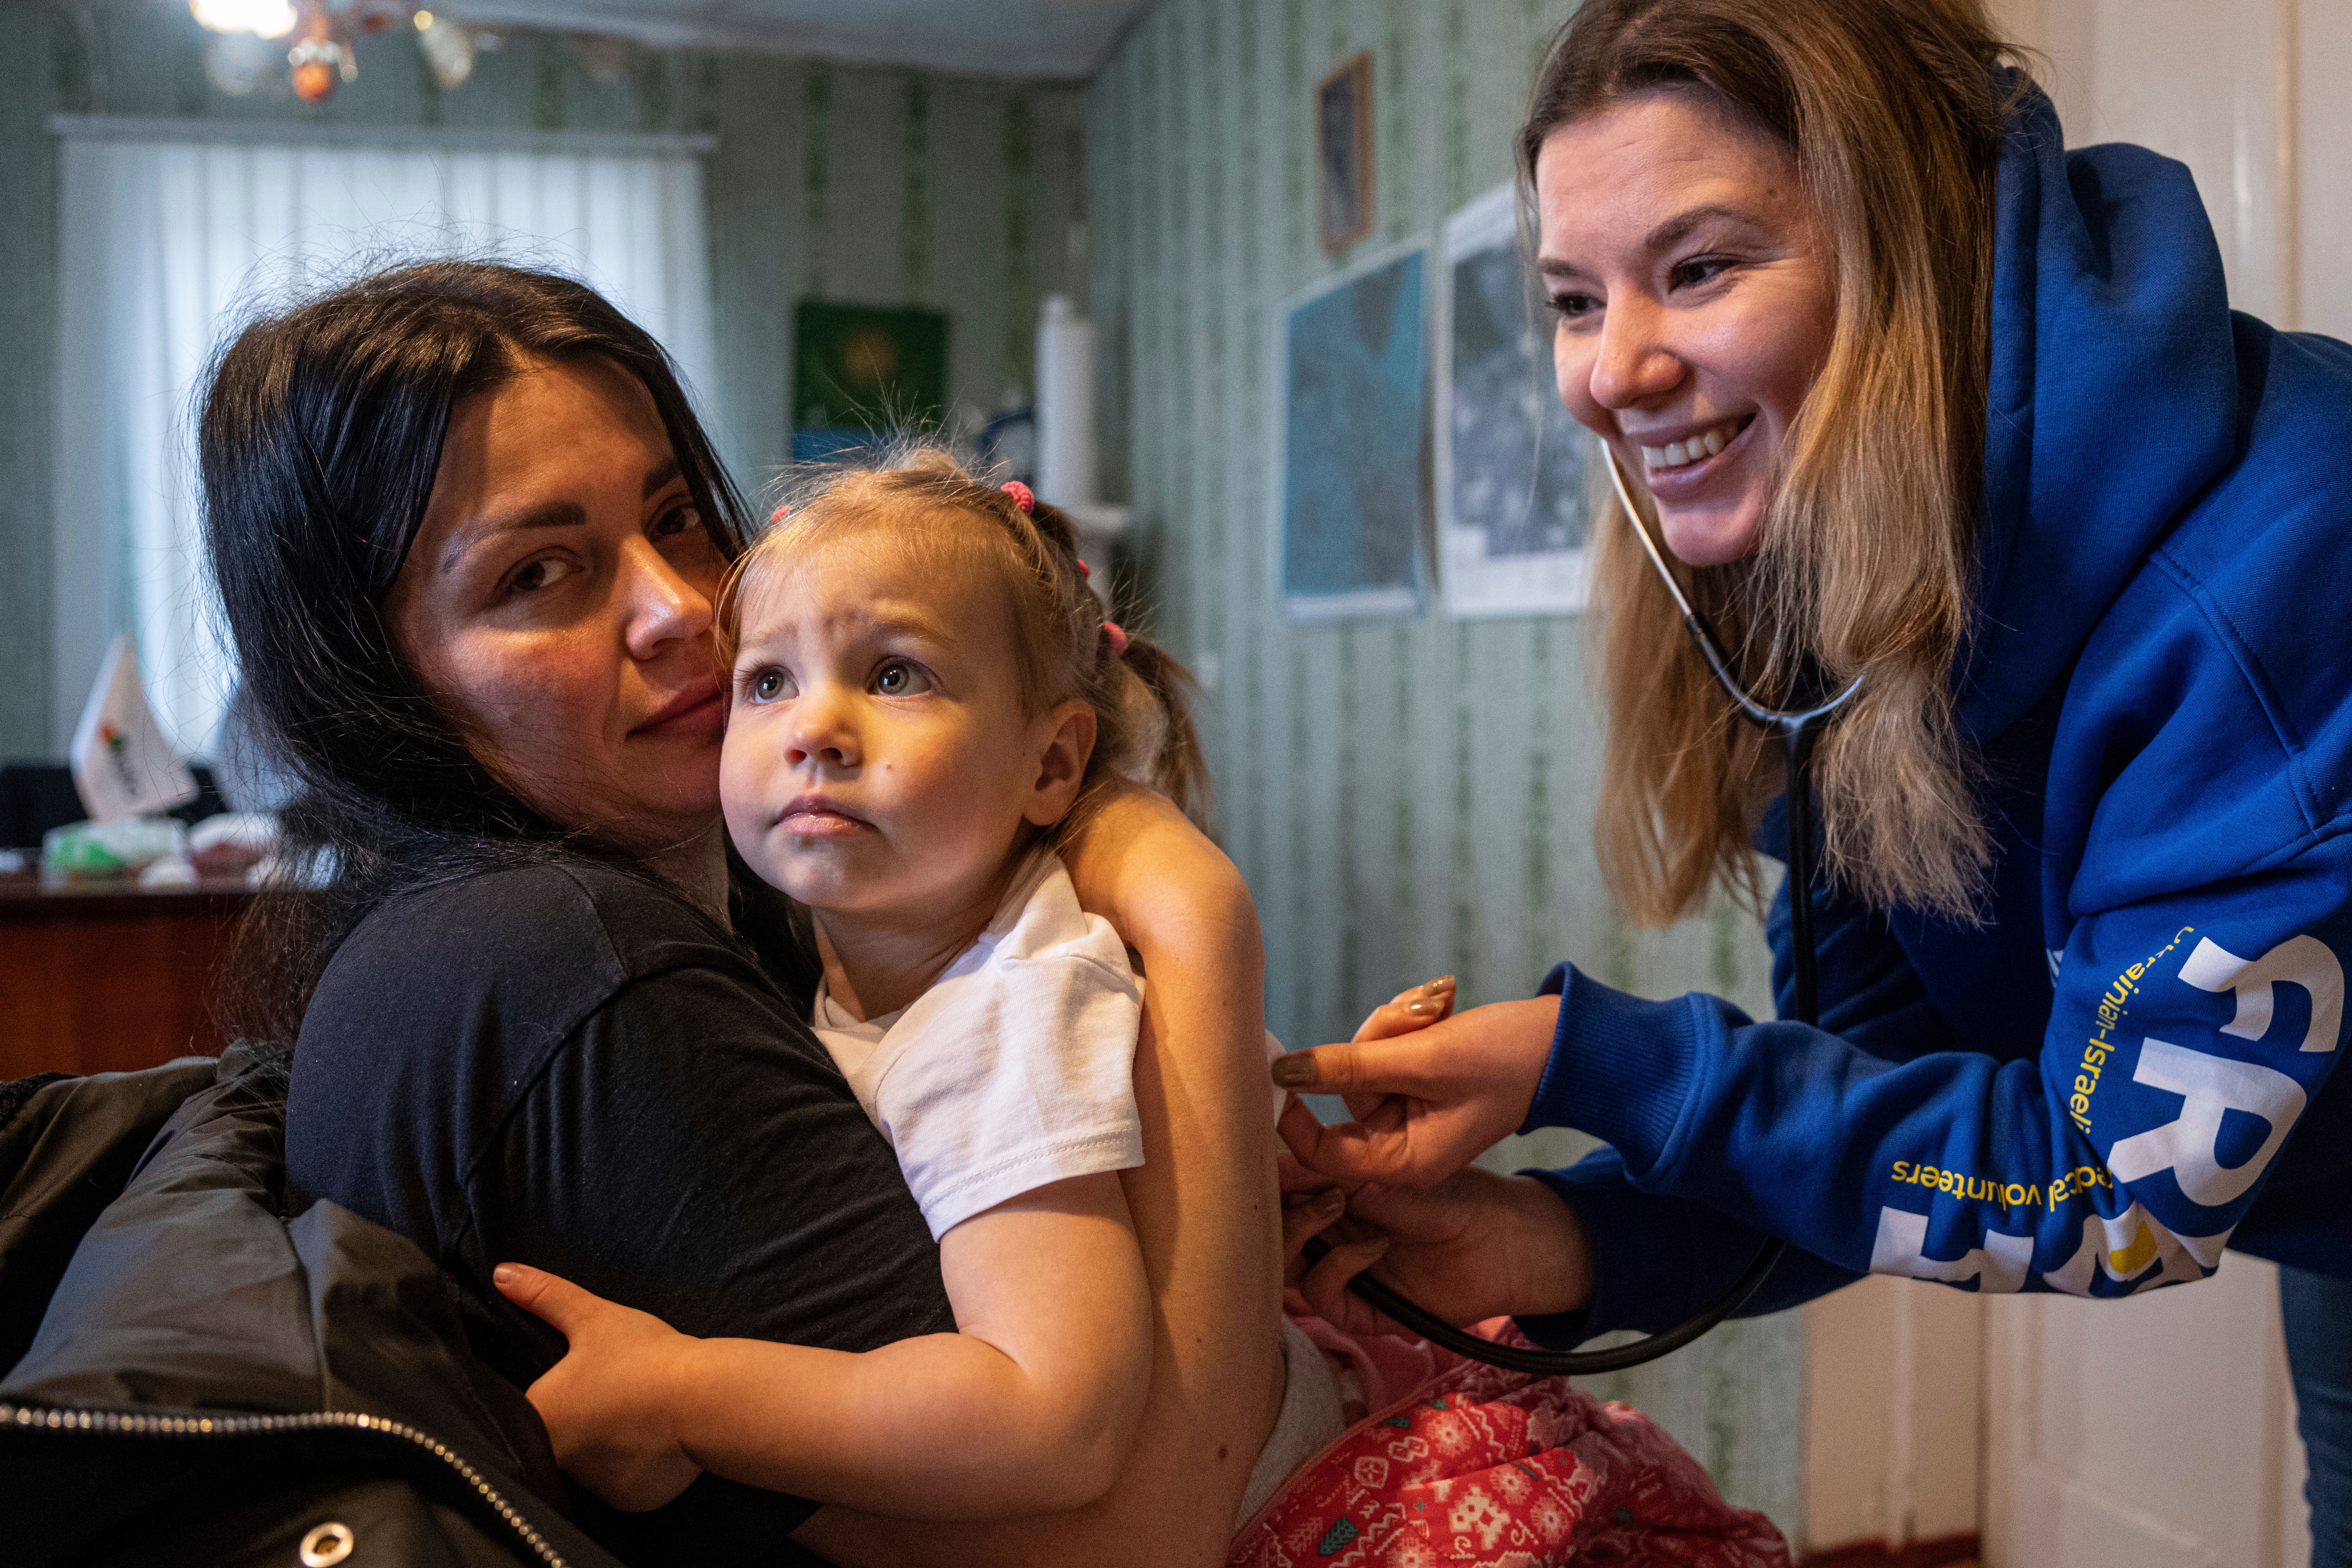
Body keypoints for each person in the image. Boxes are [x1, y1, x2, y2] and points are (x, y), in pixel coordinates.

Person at [1272, 0, 2352, 1560]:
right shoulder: (1831, 581)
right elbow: (1882, 1098)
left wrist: (1586, 1060)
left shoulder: (2267, 584)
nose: (1610, 371)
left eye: (1697, 267)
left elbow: (2105, 1194)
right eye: (1576, 299)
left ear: (1907, 244)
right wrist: (1547, 1234)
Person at [491, 448, 1792, 1566]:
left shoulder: (992, 1020)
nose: (814, 728)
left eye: (895, 676)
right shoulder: (969, 958)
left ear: (1054, 761)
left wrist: (687, 1396)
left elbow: (1051, 1414)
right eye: (767, 681)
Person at [206, 260, 1283, 1568]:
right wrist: (1198, 915)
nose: (678, 611)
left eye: (678, 517)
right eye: (538, 572)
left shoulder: (744, 900)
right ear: (371, 681)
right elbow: (1133, 1536)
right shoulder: (558, 967)